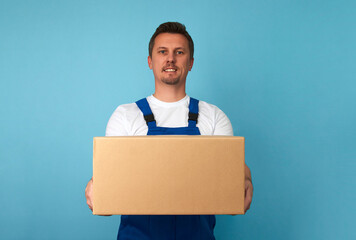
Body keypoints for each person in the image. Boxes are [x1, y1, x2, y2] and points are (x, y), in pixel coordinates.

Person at [85, 22, 253, 240]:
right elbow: (109, 186)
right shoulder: (125, 115)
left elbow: (229, 172)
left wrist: (246, 177)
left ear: (191, 62)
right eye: (162, 52)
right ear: (150, 61)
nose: (170, 59)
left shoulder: (213, 116)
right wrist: (96, 186)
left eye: (179, 52)